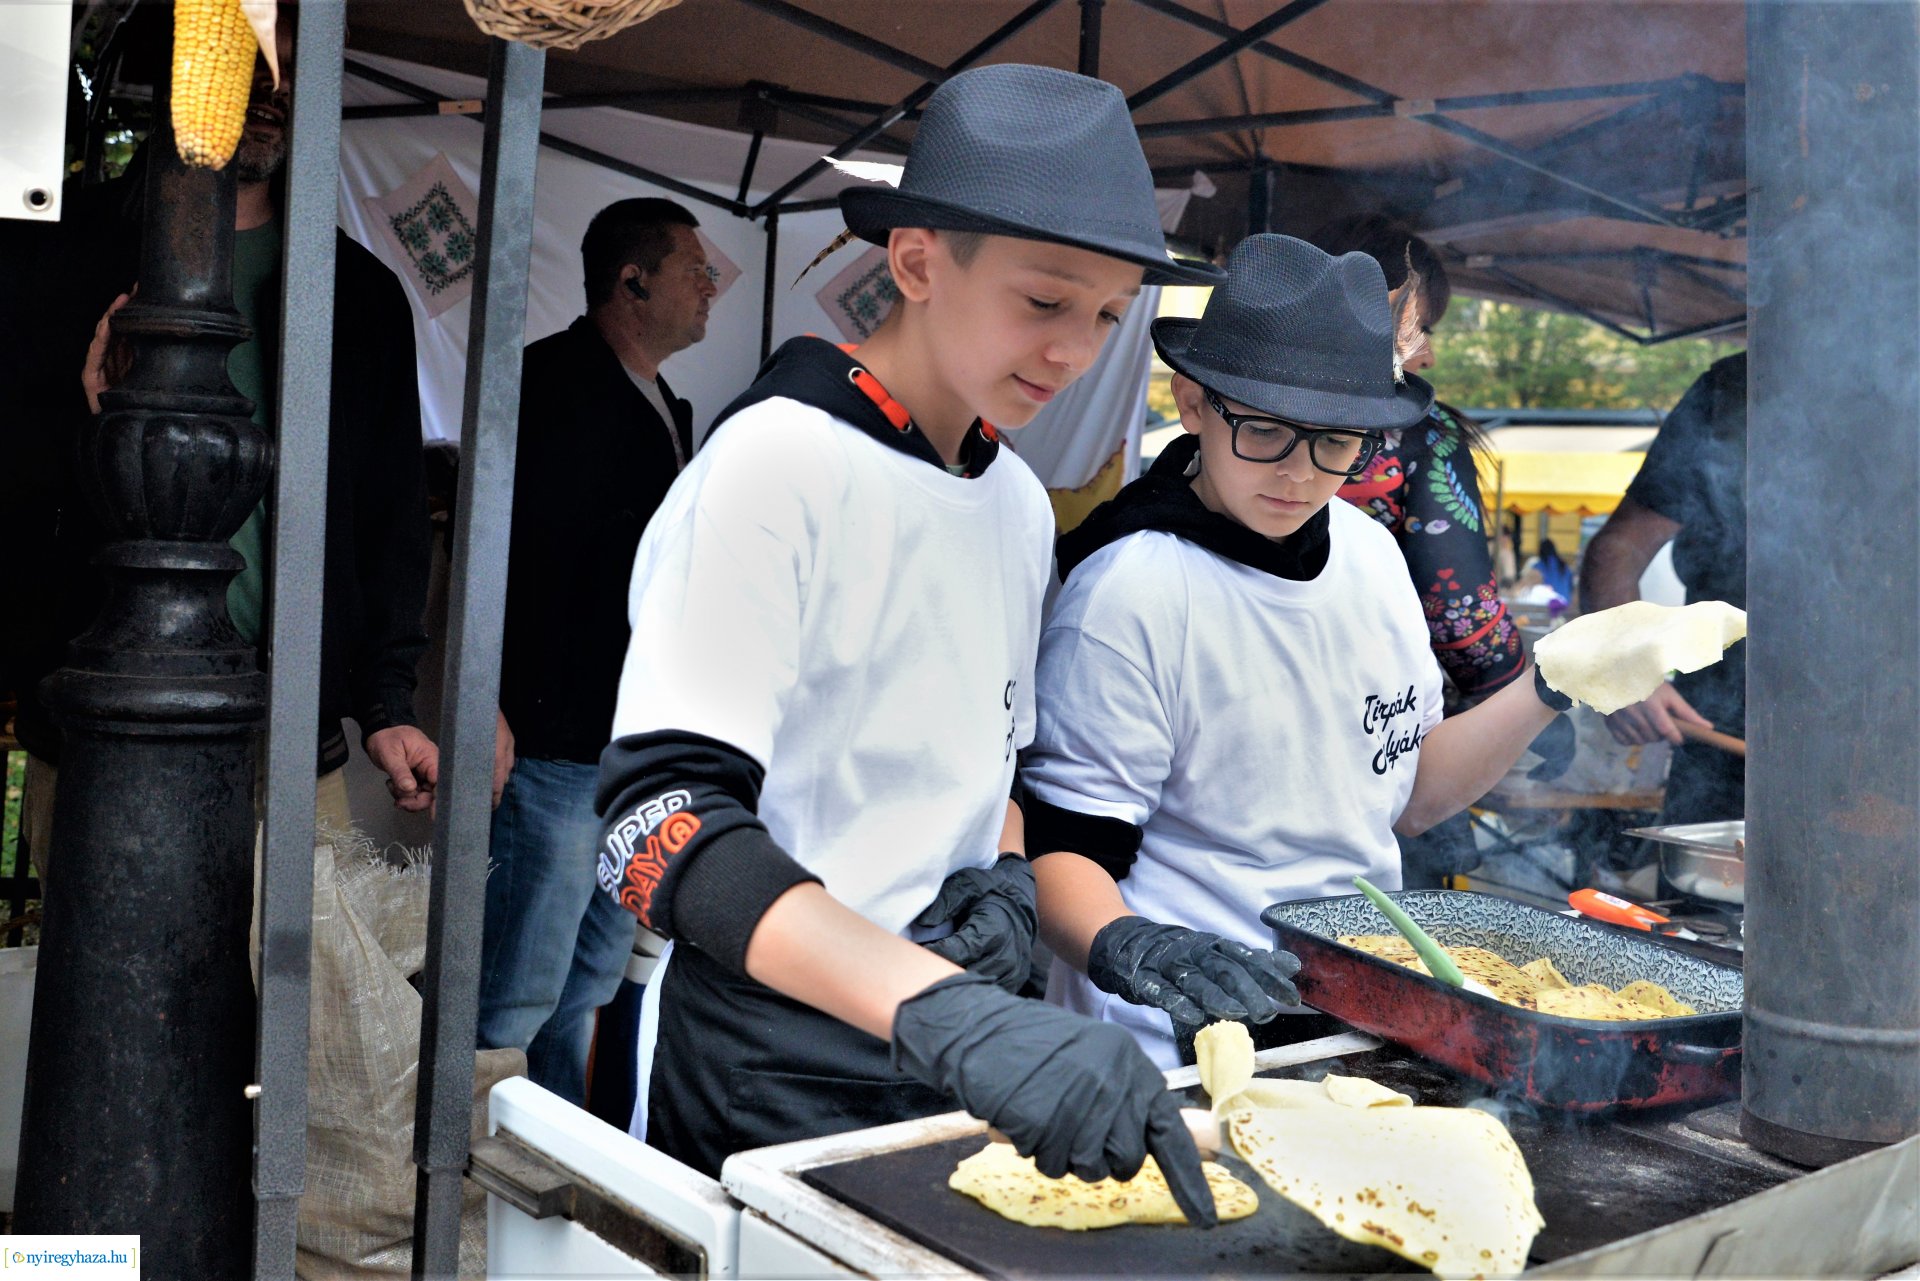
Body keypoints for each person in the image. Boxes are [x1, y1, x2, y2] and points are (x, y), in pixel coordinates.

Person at [592, 64, 1228, 1221]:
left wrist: (1035, 898)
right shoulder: (775, 464)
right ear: (919, 258)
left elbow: (983, 770)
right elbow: (654, 830)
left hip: (942, 1055)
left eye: (1107, 313)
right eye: (1046, 302)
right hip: (767, 1072)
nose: (1076, 351)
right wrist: (942, 1007)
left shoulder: (1018, 505)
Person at [1023, 235, 1576, 1069]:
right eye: (1268, 431)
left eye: (1334, 441)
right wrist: (1136, 948)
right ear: (1195, 402)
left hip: (1359, 1013)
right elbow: (1064, 849)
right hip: (1174, 1036)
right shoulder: (1131, 590)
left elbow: (1409, 795)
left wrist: (1552, 682)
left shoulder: (1371, 555)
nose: (1299, 474)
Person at [20, 17, 444, 866]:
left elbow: (390, 516)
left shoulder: (356, 296)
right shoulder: (68, 260)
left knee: (286, 996)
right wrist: (90, 423)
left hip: (286, 725)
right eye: (249, 57)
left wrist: (388, 698)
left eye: (291, 67)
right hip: (104, 713)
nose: (270, 91)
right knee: (103, 990)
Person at [478, 197, 714, 1106]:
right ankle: (458, 1213)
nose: (711, 286)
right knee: (512, 998)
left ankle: (541, 1212)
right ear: (632, 279)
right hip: (546, 741)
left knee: (586, 990)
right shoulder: (545, 380)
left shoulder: (668, 402)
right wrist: (482, 698)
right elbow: (488, 546)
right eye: (693, 267)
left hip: (625, 755)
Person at [1316, 217, 1530, 887]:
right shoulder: (1417, 437)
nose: (1427, 354)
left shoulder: (1233, 408)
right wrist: (1531, 701)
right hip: (1379, 753)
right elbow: (1462, 616)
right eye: (1420, 326)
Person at [1579, 352, 1746, 827]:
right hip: (1718, 733)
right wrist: (1624, 664)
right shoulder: (1735, 390)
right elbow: (1620, 546)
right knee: (1702, 902)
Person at [1526, 538, 1576, 605]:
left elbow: (1530, 587)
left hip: (1548, 606)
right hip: (1565, 603)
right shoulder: (1564, 566)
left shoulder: (1538, 566)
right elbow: (1570, 587)